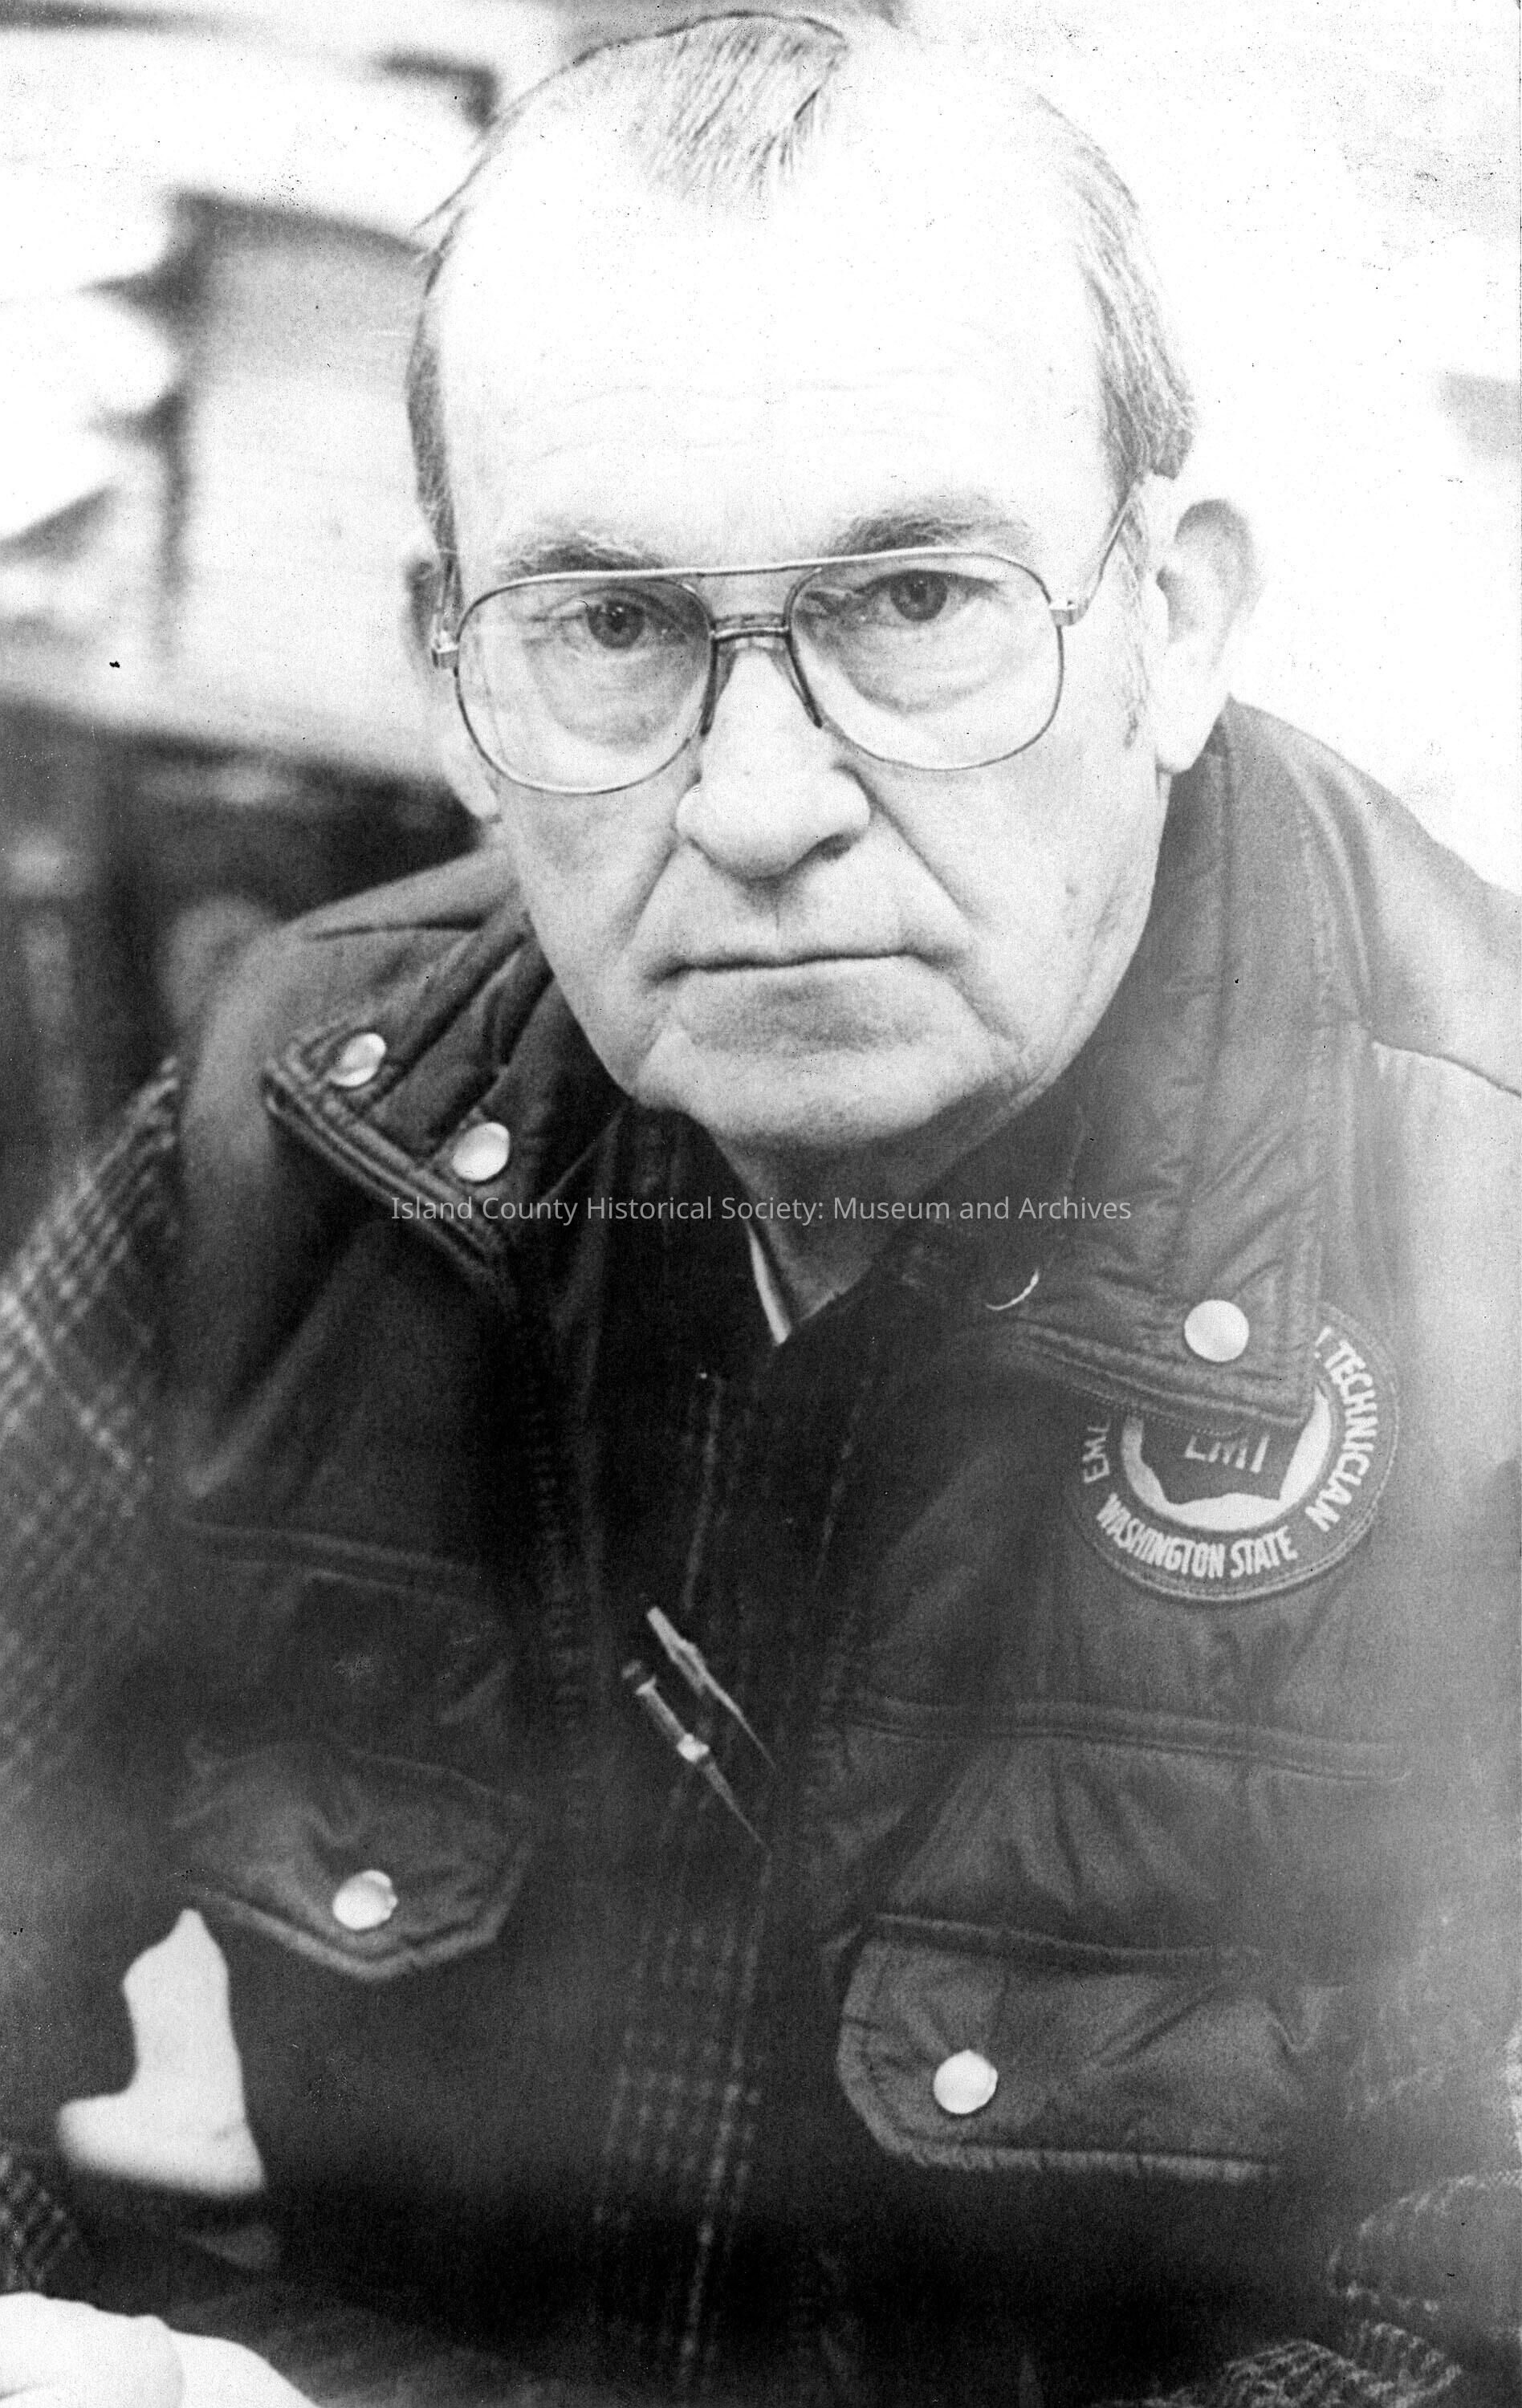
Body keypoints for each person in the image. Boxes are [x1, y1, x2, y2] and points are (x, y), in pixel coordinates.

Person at [0, 14, 1516, 2405]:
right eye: (610, 628)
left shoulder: (1488, 1258)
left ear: (1176, 623)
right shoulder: (294, 1136)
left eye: (913, 600)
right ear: (448, 681)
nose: (760, 801)